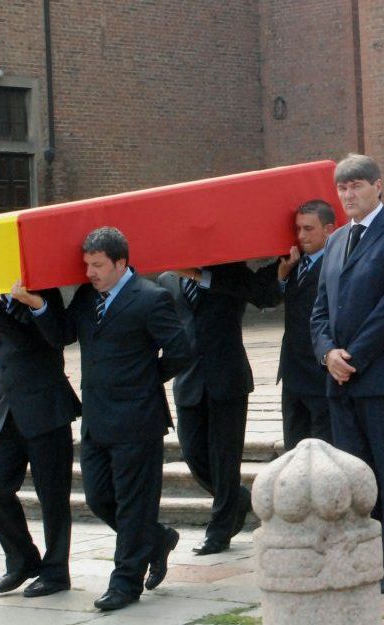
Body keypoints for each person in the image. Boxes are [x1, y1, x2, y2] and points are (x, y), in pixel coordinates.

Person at [22, 226, 193, 611]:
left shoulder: (151, 298)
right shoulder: (86, 296)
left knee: (134, 504)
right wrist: (36, 304)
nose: (91, 273)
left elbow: (182, 350)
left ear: (121, 262)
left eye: (98, 265)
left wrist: (147, 379)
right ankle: (157, 538)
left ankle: (125, 583)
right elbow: (62, 334)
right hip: (96, 418)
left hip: (137, 419)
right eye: (87, 265)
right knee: (99, 498)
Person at [311, 154, 384, 594]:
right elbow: (320, 308)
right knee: (353, 477)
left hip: (383, 376)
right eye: (342, 188)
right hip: (340, 378)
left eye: (356, 185)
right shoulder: (337, 239)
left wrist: (353, 357)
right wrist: (327, 354)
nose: (348, 194)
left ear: (378, 186)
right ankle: (365, 555)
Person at [156, 258, 276, 556]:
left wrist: (199, 274)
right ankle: (238, 498)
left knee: (225, 459)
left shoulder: (230, 271)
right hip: (188, 380)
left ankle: (219, 531)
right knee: (193, 453)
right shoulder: (166, 280)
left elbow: (262, 296)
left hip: (227, 377)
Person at [0, 278, 79, 598]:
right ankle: (22, 560)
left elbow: (40, 342)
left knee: (53, 498)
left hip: (47, 410)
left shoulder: (42, 294)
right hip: (7, 414)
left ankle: (56, 572)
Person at [269, 199, 336, 448]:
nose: (301, 236)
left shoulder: (337, 262)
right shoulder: (292, 263)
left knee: (323, 450)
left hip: (321, 374)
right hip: (293, 373)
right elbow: (267, 297)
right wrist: (283, 277)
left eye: (309, 229)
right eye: (298, 229)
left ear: (329, 229)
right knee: (293, 449)